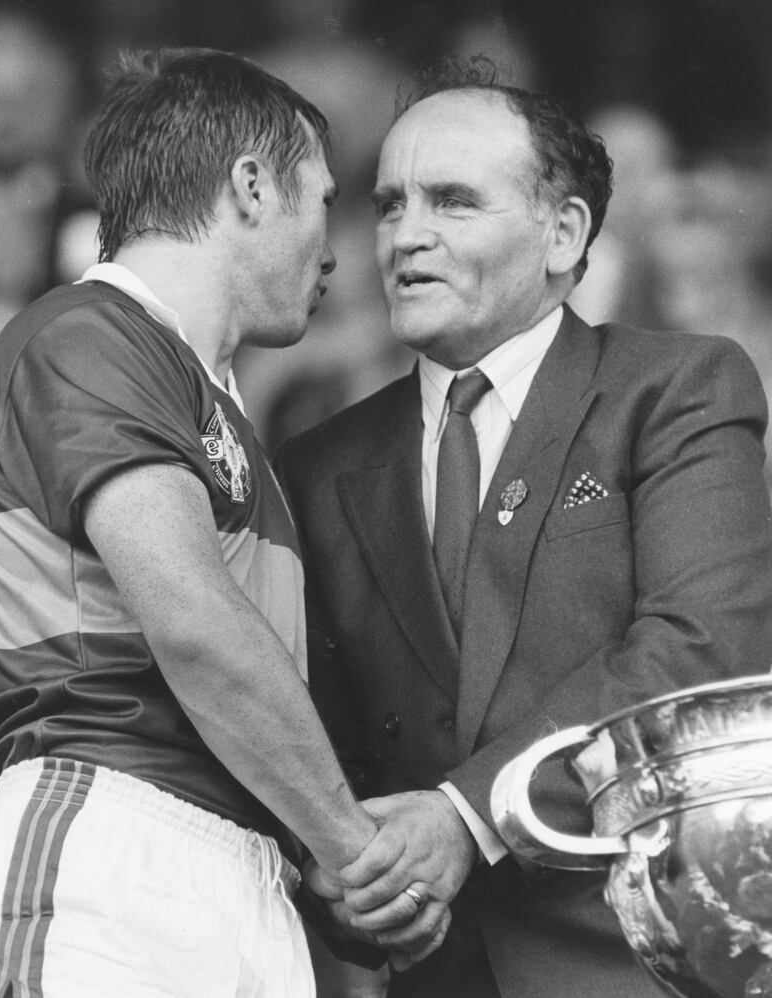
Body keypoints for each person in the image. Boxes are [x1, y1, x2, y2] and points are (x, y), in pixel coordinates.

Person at [275, 60, 772, 998]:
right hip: (436, 971)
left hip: (637, 959)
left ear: (564, 232)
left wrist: (465, 819)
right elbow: (321, 738)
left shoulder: (676, 389)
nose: (405, 236)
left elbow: (700, 651)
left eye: (453, 201)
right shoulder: (320, 460)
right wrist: (349, 876)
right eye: (388, 205)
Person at [0, 48, 444, 997]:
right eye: (324, 200)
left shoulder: (216, 405)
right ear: (252, 186)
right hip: (108, 844)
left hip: (237, 874)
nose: (337, 248)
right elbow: (192, 621)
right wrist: (354, 847)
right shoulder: (90, 332)